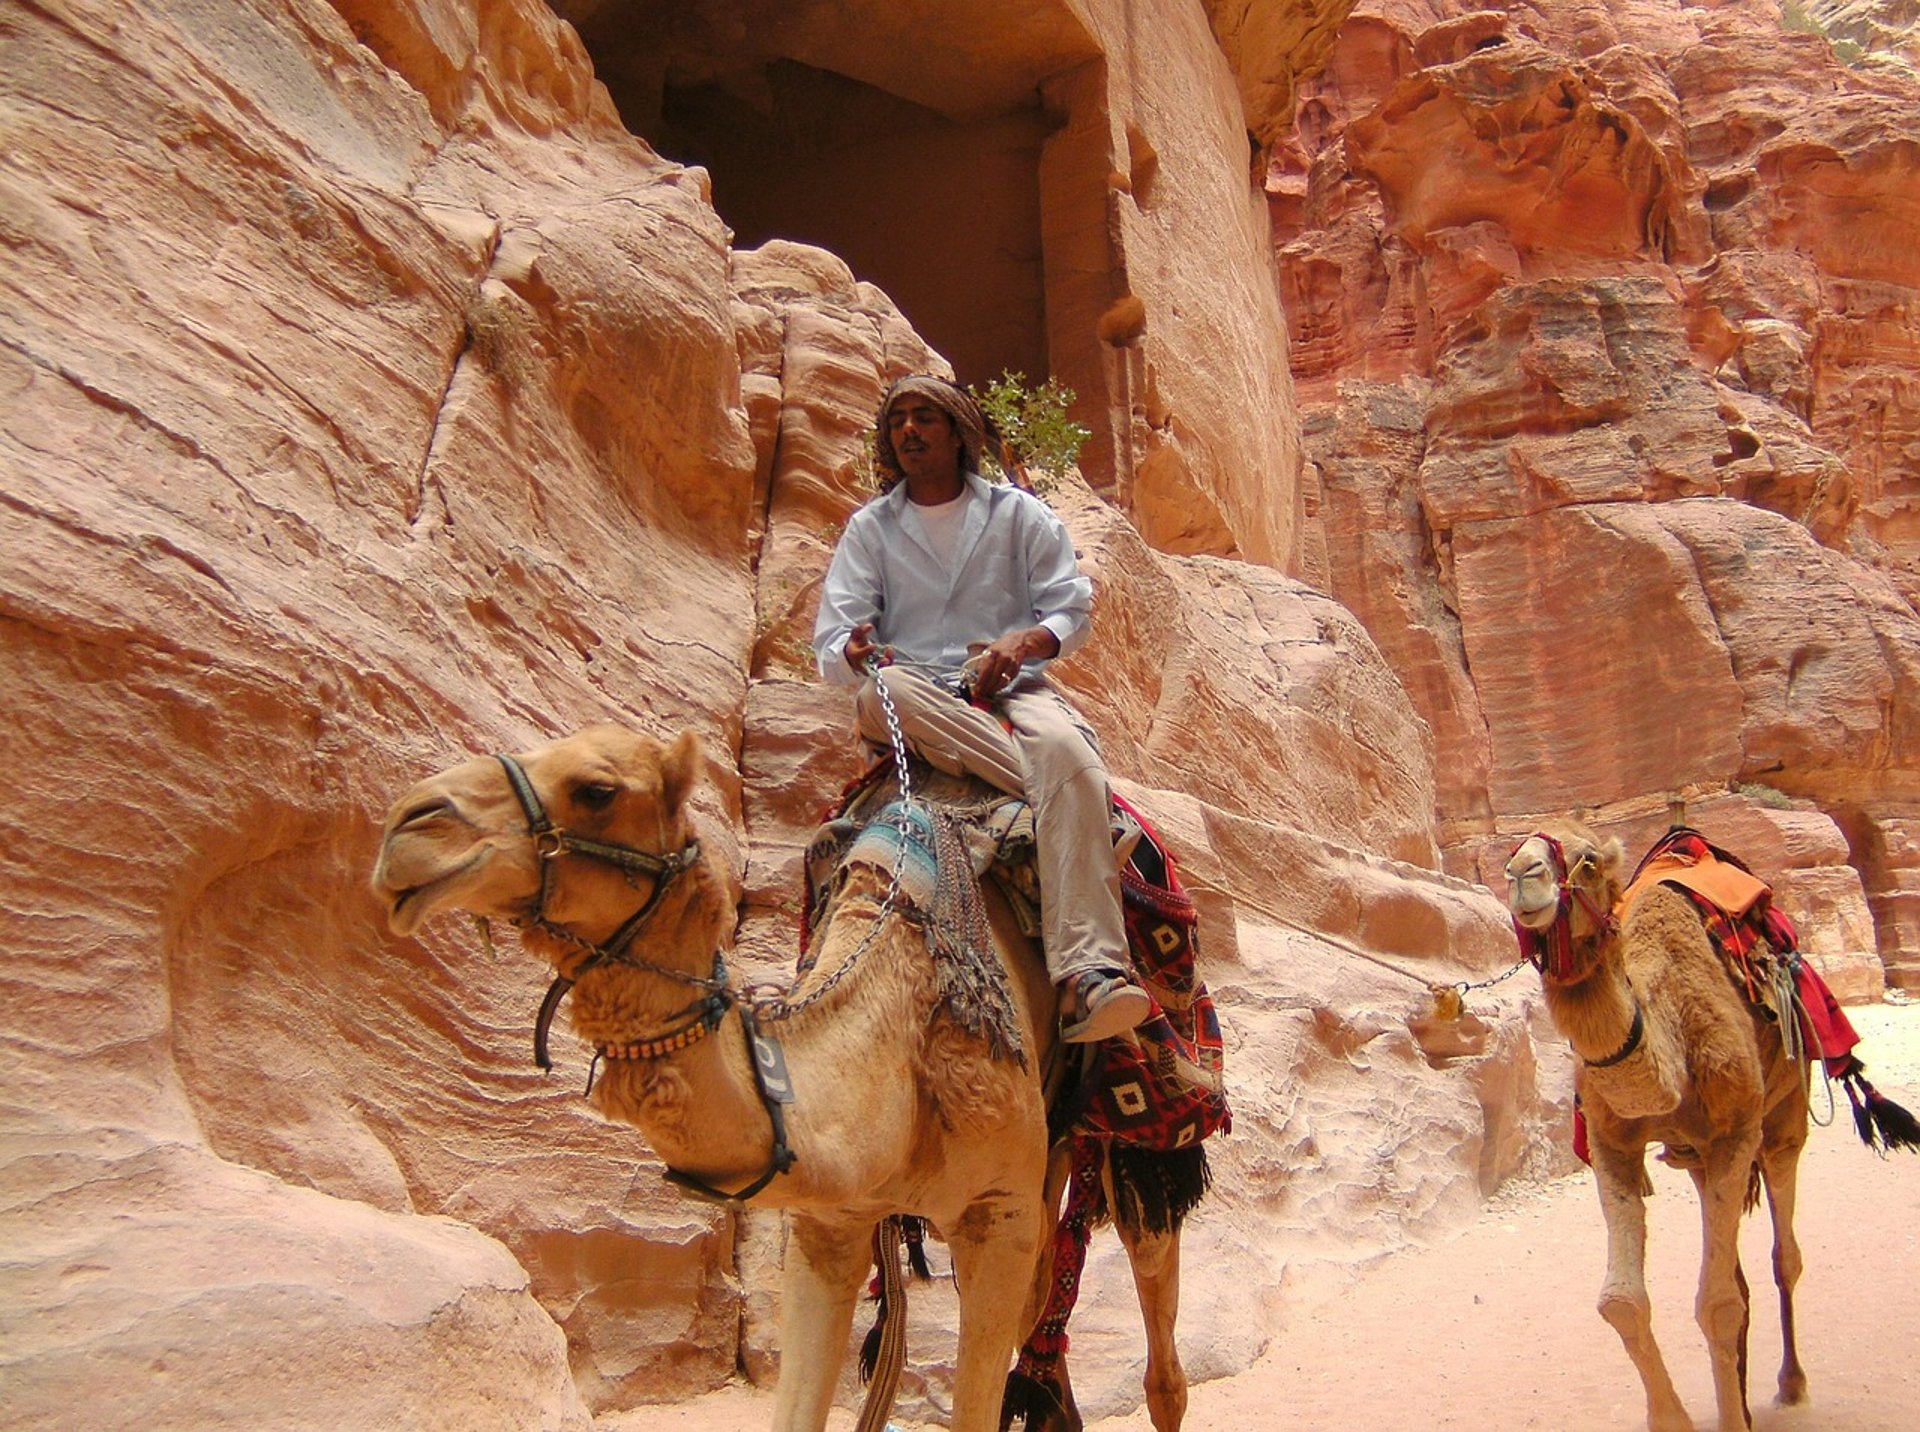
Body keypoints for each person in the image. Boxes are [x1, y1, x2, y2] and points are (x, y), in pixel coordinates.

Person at [812, 374, 1150, 1043]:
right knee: (887, 694)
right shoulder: (870, 529)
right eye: (898, 420)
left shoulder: (1018, 515)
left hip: (1013, 690)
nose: (908, 431)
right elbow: (832, 637)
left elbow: (1071, 605)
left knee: (1071, 753)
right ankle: (1080, 819)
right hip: (911, 694)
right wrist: (852, 651)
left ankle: (1090, 974)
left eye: (924, 418)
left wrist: (1024, 641)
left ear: (958, 432)